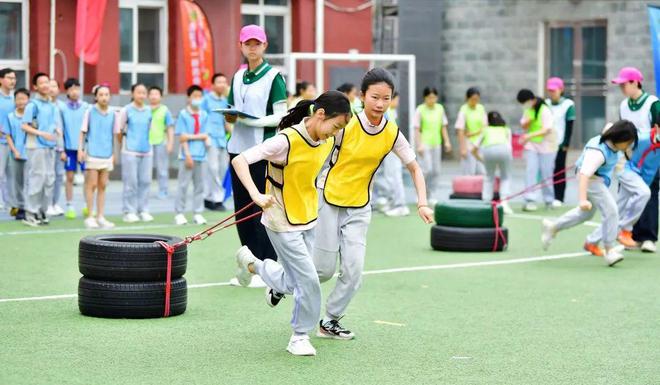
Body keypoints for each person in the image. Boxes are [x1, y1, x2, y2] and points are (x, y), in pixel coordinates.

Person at [308, 68, 434, 339]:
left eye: (386, 98)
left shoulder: (391, 132)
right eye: (375, 97)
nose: (380, 104)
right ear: (362, 96)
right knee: (322, 270)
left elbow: (414, 167)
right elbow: (313, 145)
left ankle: (329, 320)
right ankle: (276, 278)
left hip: (360, 206)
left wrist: (422, 203)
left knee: (354, 271)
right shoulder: (345, 124)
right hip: (327, 199)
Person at [233, 91, 352, 356]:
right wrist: (256, 195)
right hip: (280, 219)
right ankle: (299, 336)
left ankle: (251, 264)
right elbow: (239, 160)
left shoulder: (325, 139)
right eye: (335, 126)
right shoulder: (284, 141)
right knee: (308, 279)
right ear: (320, 115)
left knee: (294, 280)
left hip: (308, 216)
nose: (335, 133)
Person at [222, 24, 287, 288]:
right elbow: (230, 108)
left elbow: (282, 114)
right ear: (240, 46)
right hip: (237, 149)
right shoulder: (237, 77)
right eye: (247, 43)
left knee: (261, 211)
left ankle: (268, 267)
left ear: (264, 46)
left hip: (261, 151)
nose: (252, 47)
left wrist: (253, 122)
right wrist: (229, 116)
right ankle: (249, 266)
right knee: (241, 213)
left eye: (256, 43)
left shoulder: (274, 76)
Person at [541, 120, 638, 266]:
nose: (629, 146)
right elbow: (584, 174)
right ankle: (610, 250)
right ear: (620, 138)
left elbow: (610, 125)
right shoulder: (598, 153)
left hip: (595, 178)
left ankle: (553, 227)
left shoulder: (612, 139)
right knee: (611, 211)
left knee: (585, 214)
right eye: (628, 142)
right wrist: (582, 200)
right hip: (590, 179)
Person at [611, 67, 660, 253]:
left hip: (650, 159)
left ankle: (648, 237)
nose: (622, 88)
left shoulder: (653, 103)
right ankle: (628, 234)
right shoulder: (623, 106)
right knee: (626, 196)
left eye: (624, 84)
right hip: (629, 159)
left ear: (635, 82)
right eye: (620, 85)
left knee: (649, 194)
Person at [21, 73, 59, 226]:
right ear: (35, 87)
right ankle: (30, 212)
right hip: (36, 146)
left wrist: (57, 130)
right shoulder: (32, 105)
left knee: (49, 180)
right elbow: (24, 125)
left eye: (47, 82)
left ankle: (42, 211)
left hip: (50, 146)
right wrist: (41, 133)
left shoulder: (52, 105)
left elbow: (52, 124)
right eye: (41, 83)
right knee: (37, 179)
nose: (45, 85)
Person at [78, 84, 119, 229]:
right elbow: (82, 131)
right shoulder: (89, 111)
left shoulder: (114, 114)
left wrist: (114, 153)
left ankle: (101, 216)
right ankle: (90, 216)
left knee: (103, 186)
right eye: (101, 94)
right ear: (96, 97)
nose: (104, 97)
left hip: (107, 154)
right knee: (92, 185)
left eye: (106, 94)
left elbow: (115, 135)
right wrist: (80, 150)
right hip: (92, 153)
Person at [118, 83, 154, 223]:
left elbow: (149, 129)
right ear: (132, 94)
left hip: (146, 151)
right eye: (138, 92)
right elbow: (120, 131)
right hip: (130, 151)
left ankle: (143, 210)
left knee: (145, 181)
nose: (141, 95)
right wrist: (123, 147)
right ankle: (129, 211)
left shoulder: (148, 110)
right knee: (131, 182)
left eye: (144, 92)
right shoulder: (126, 110)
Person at [516, 89, 557, 212]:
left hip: (547, 145)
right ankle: (530, 200)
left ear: (531, 100)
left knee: (546, 173)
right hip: (533, 145)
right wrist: (527, 123)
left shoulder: (545, 110)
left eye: (525, 102)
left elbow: (547, 129)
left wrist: (528, 136)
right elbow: (524, 125)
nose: (524, 105)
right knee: (531, 171)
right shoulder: (528, 110)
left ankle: (549, 200)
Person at [174, 85, 209, 225]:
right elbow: (182, 137)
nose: (197, 99)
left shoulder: (204, 115)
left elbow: (205, 135)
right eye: (195, 96)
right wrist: (187, 154)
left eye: (200, 96)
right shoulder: (183, 114)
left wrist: (191, 136)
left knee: (199, 186)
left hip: (201, 155)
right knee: (183, 185)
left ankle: (198, 212)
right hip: (186, 156)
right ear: (189, 98)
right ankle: (179, 213)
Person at [57, 78, 89, 219]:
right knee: (69, 177)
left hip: (83, 148)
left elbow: (89, 129)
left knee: (88, 177)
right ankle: (69, 205)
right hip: (69, 148)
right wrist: (62, 149)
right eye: (71, 89)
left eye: (77, 88)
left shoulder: (86, 107)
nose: (75, 91)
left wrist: (87, 148)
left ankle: (87, 205)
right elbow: (60, 129)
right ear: (67, 91)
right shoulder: (62, 108)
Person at [373, 92, 409, 216]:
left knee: (394, 177)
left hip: (392, 149)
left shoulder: (390, 113)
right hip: (389, 149)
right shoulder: (387, 113)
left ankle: (400, 205)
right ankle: (395, 203)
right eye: (396, 100)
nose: (397, 103)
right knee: (390, 177)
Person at [414, 87, 451, 205]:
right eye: (429, 97)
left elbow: (443, 127)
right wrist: (419, 144)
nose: (432, 100)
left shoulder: (440, 108)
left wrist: (447, 142)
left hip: (437, 143)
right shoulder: (420, 109)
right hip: (424, 144)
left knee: (436, 171)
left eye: (434, 97)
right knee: (426, 170)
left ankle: (431, 194)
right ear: (425, 98)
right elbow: (416, 129)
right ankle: (421, 194)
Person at [472, 111, 513, 214]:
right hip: (504, 150)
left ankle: (486, 202)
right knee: (505, 177)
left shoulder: (485, 130)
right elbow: (509, 146)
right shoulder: (506, 130)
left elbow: (474, 148)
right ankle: (504, 202)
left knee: (489, 177)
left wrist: (481, 160)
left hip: (488, 150)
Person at [201, 72, 231, 211]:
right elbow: (200, 118)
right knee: (212, 168)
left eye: (224, 82)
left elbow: (226, 122)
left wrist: (231, 134)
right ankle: (217, 200)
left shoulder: (225, 101)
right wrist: (204, 135)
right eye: (219, 82)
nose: (222, 84)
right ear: (213, 84)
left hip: (222, 139)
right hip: (210, 138)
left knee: (222, 169)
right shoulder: (206, 100)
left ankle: (208, 198)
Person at [545, 77, 576, 208]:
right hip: (547, 144)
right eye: (550, 90)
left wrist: (566, 144)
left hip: (560, 144)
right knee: (547, 170)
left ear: (561, 90)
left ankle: (559, 197)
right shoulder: (545, 104)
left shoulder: (568, 104)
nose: (552, 93)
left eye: (554, 90)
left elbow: (570, 126)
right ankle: (548, 197)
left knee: (559, 170)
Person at [2, 88, 29, 221]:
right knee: (17, 182)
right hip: (16, 154)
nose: (20, 102)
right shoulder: (10, 117)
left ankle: (32, 208)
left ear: (28, 100)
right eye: (18, 99)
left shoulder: (31, 117)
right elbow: (8, 136)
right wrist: (15, 151)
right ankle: (20, 208)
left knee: (30, 182)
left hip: (30, 153)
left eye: (23, 98)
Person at [147, 86, 174, 200]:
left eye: (156, 94)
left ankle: (163, 190)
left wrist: (170, 143)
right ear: (148, 96)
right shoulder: (144, 109)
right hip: (145, 143)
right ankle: (145, 191)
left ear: (161, 96)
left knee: (162, 169)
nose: (153, 96)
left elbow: (170, 127)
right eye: (151, 94)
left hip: (160, 142)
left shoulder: (165, 110)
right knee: (145, 170)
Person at [455, 87, 487, 175]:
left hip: (480, 143)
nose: (475, 101)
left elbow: (485, 126)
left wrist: (475, 133)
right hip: (469, 144)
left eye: (477, 99)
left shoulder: (481, 108)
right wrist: (462, 148)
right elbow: (460, 130)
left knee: (482, 171)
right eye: (473, 99)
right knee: (469, 171)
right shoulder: (463, 109)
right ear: (467, 98)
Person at [0, 68, 16, 213]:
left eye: (14, 78)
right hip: (0, 142)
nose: (12, 81)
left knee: (12, 174)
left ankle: (10, 203)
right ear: (1, 80)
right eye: (9, 78)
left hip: (13, 143)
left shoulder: (15, 99)